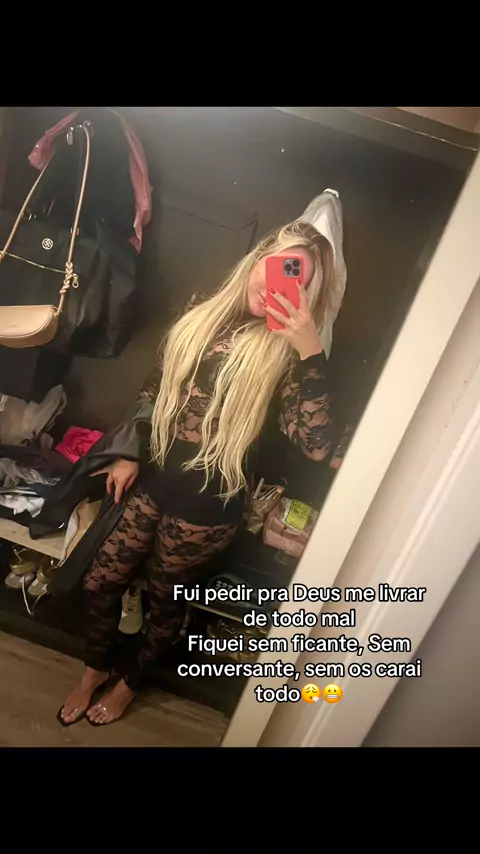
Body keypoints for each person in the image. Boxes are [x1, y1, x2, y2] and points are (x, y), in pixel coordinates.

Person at [58, 219, 342, 727]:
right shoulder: (200, 310)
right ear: (260, 259)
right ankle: (94, 669)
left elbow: (317, 446)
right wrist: (129, 452)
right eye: (281, 267)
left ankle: (130, 683)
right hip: (153, 477)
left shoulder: (289, 354)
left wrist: (309, 349)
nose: (279, 285)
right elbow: (156, 384)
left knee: (166, 600)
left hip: (209, 503)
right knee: (101, 582)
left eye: (300, 280)